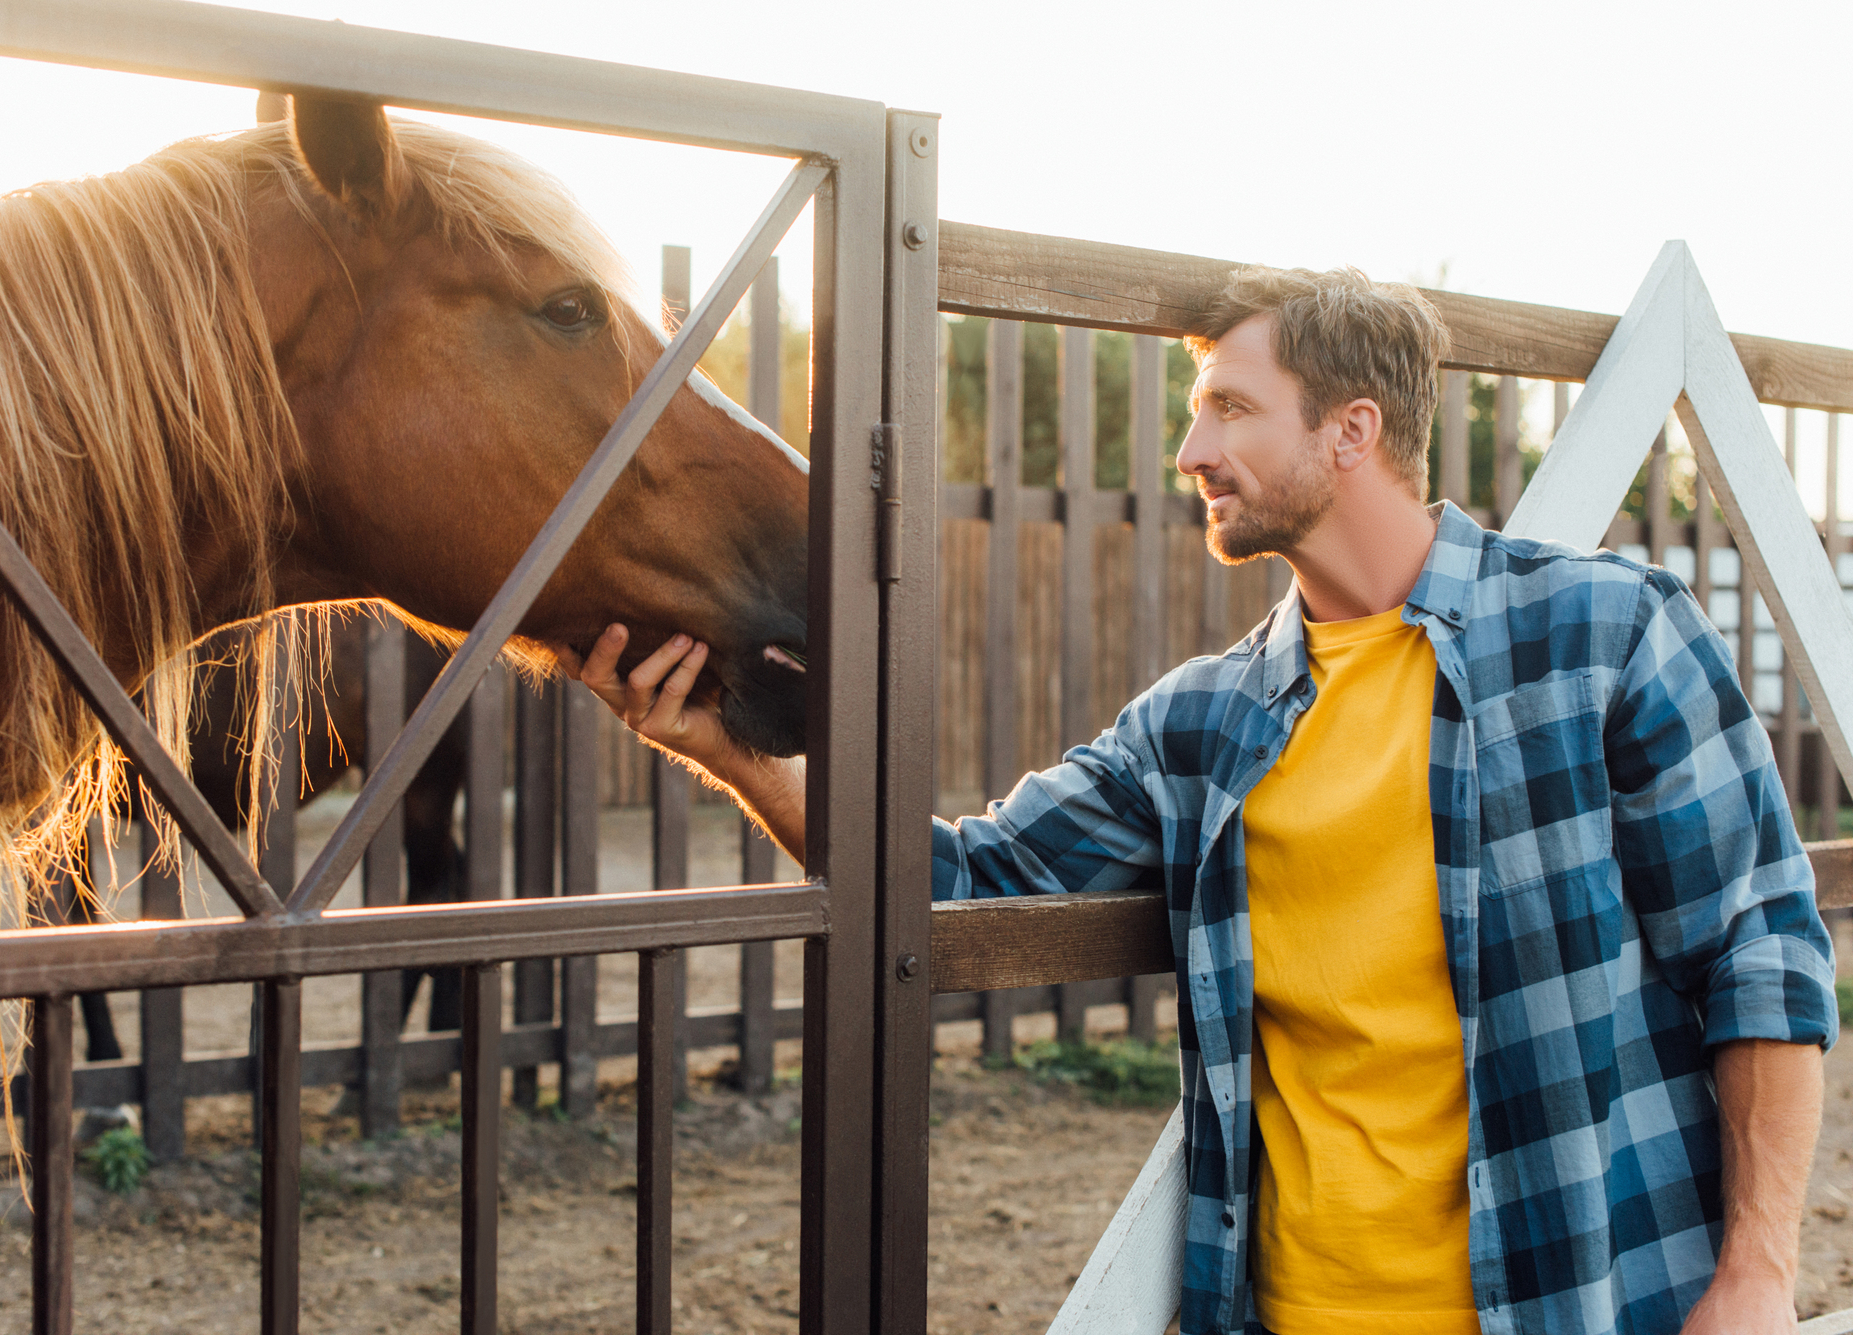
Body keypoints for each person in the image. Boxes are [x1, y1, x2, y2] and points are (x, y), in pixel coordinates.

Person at [560, 267, 1838, 1335]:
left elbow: (1758, 952)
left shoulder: (1604, 634)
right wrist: (729, 752)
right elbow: (958, 881)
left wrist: (1756, 1275)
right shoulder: (1202, 721)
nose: (1189, 451)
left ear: (1351, 431)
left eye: (1229, 407)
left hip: (1582, 1304)